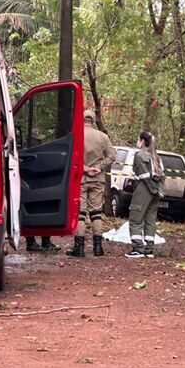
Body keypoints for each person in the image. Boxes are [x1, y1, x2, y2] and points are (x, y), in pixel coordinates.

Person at [66, 109, 115, 258]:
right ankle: (98, 248)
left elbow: (72, 157)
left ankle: (79, 249)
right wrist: (98, 167)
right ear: (93, 121)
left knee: (80, 214)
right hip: (98, 179)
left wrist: (85, 169)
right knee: (96, 213)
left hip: (80, 179)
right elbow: (112, 156)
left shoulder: (76, 136)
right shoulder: (103, 137)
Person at [125, 131, 163, 259]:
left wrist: (152, 189)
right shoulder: (156, 156)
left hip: (144, 189)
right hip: (155, 191)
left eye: (138, 139)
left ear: (142, 141)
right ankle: (149, 249)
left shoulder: (140, 155)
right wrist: (159, 190)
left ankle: (138, 248)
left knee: (136, 217)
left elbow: (143, 175)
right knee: (150, 219)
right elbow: (162, 176)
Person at [24, 127, 58, 253]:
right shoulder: (27, 152)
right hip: (32, 186)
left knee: (43, 212)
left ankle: (44, 241)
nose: (39, 142)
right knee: (32, 213)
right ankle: (34, 242)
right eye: (37, 140)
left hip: (38, 185)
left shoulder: (35, 152)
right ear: (32, 140)